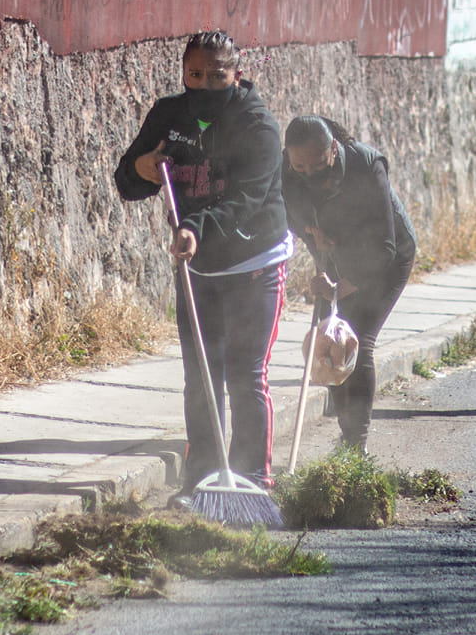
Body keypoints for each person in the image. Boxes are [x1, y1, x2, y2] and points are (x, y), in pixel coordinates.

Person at [113, 30, 290, 486]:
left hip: (255, 263)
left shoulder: (258, 126)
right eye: (195, 74)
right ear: (183, 73)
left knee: (245, 375)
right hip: (197, 266)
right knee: (201, 377)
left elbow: (246, 201)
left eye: (217, 76)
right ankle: (205, 478)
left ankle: (252, 478)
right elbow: (128, 181)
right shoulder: (169, 115)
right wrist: (141, 168)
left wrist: (194, 228)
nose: (205, 85)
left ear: (237, 73)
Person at [282, 115, 417, 451]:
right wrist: (316, 238)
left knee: (356, 340)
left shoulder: (366, 164)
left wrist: (342, 286)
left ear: (333, 148)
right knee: (327, 344)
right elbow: (293, 214)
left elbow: (384, 246)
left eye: (316, 165)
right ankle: (346, 434)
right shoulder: (290, 169)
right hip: (335, 255)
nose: (308, 174)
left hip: (386, 258)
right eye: (299, 166)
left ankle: (356, 446)